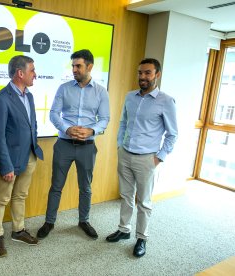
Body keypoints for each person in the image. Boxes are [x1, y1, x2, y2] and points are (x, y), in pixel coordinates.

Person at [105, 58, 178, 258]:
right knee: (126, 196)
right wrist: (120, 145)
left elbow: (172, 134)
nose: (143, 77)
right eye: (140, 73)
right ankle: (123, 229)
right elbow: (123, 122)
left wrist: (159, 157)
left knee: (144, 202)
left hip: (148, 159)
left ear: (157, 75)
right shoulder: (130, 97)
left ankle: (142, 238)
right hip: (126, 154)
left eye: (147, 73)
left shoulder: (166, 101)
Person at [37, 49, 110, 240]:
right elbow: (54, 113)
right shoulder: (64, 88)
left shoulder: (101, 91)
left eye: (78, 66)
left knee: (85, 187)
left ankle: (84, 220)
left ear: (90, 67)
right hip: (64, 144)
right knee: (56, 185)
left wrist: (92, 130)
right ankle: (49, 221)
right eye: (73, 66)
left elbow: (104, 119)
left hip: (87, 146)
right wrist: (67, 128)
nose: (74, 70)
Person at [0, 55, 44, 257]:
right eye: (32, 71)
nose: (35, 75)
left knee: (21, 196)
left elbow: (32, 125)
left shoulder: (28, 96)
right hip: (9, 160)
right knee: (2, 199)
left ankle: (18, 230)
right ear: (20, 73)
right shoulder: (1, 99)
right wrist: (5, 165)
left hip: (29, 155)